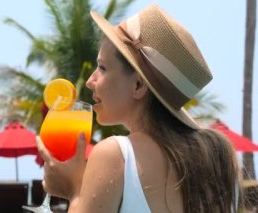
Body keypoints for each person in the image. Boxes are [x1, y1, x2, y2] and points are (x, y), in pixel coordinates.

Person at [37, 4, 240, 213]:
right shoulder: (218, 161)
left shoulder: (114, 156)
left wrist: (74, 192)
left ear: (138, 85)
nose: (90, 81)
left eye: (102, 67)